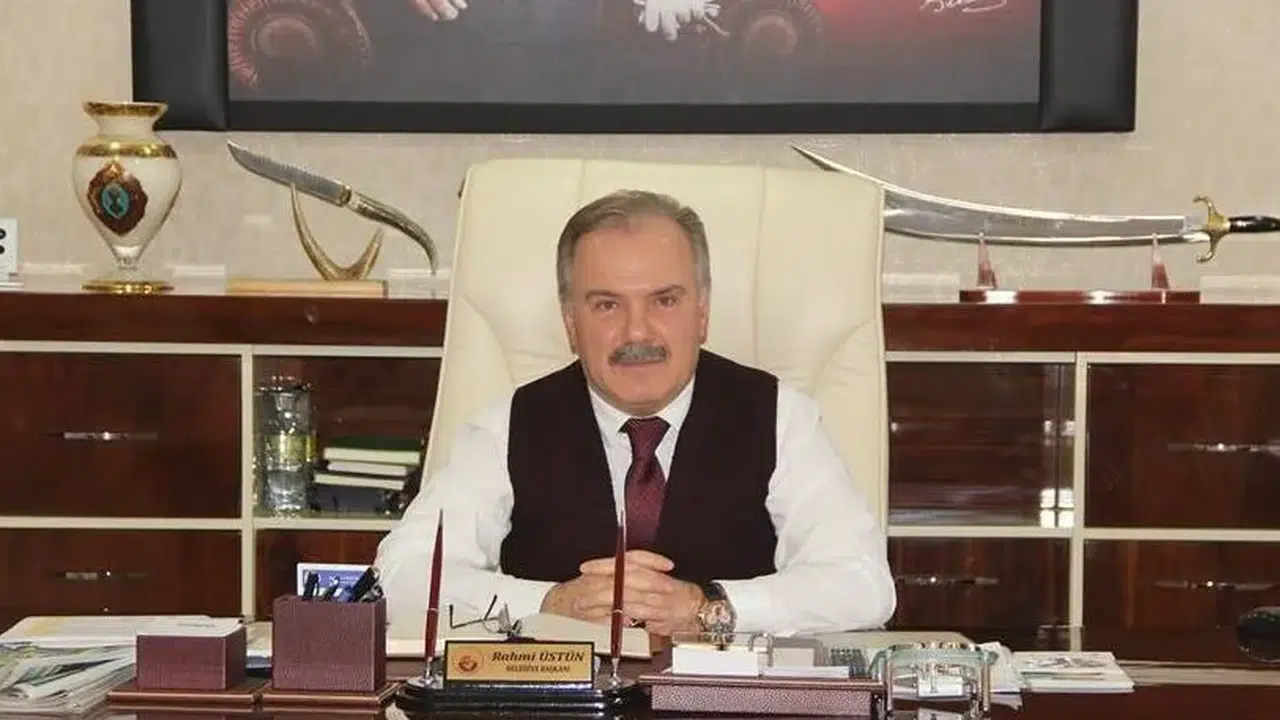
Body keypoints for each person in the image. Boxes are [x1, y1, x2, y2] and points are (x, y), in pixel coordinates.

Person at [374, 189, 896, 638]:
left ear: (703, 312)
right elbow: (400, 576)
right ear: (570, 322)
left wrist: (708, 609)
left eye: (664, 301)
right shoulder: (506, 428)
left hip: (724, 704)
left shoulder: (781, 419)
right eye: (607, 305)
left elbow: (864, 584)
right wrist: (550, 606)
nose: (637, 333)